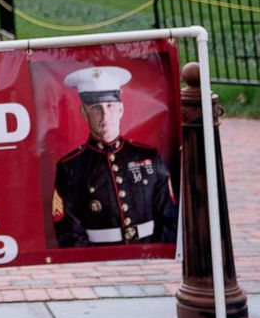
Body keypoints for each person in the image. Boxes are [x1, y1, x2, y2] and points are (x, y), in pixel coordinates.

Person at [51, 66, 178, 248]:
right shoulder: (70, 167)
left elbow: (170, 217)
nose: (105, 115)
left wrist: (153, 256)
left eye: (110, 105)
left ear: (121, 109)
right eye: (96, 108)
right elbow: (68, 231)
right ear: (83, 113)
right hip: (98, 260)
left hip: (149, 253)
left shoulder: (148, 156)